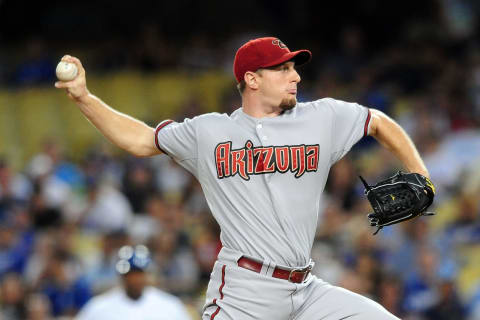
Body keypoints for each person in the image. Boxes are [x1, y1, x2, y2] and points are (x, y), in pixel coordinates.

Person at [55, 37, 431, 319]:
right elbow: (140, 139)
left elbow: (378, 122)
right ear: (252, 79)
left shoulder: (322, 117)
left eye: (293, 68)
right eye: (282, 69)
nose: (295, 76)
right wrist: (85, 98)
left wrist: (420, 174)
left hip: (307, 289)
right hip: (244, 292)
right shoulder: (208, 132)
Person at [76, 245, 192, 320]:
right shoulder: (98, 307)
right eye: (130, 274)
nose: (135, 279)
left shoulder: (170, 306)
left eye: (139, 273)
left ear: (146, 274)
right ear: (122, 276)